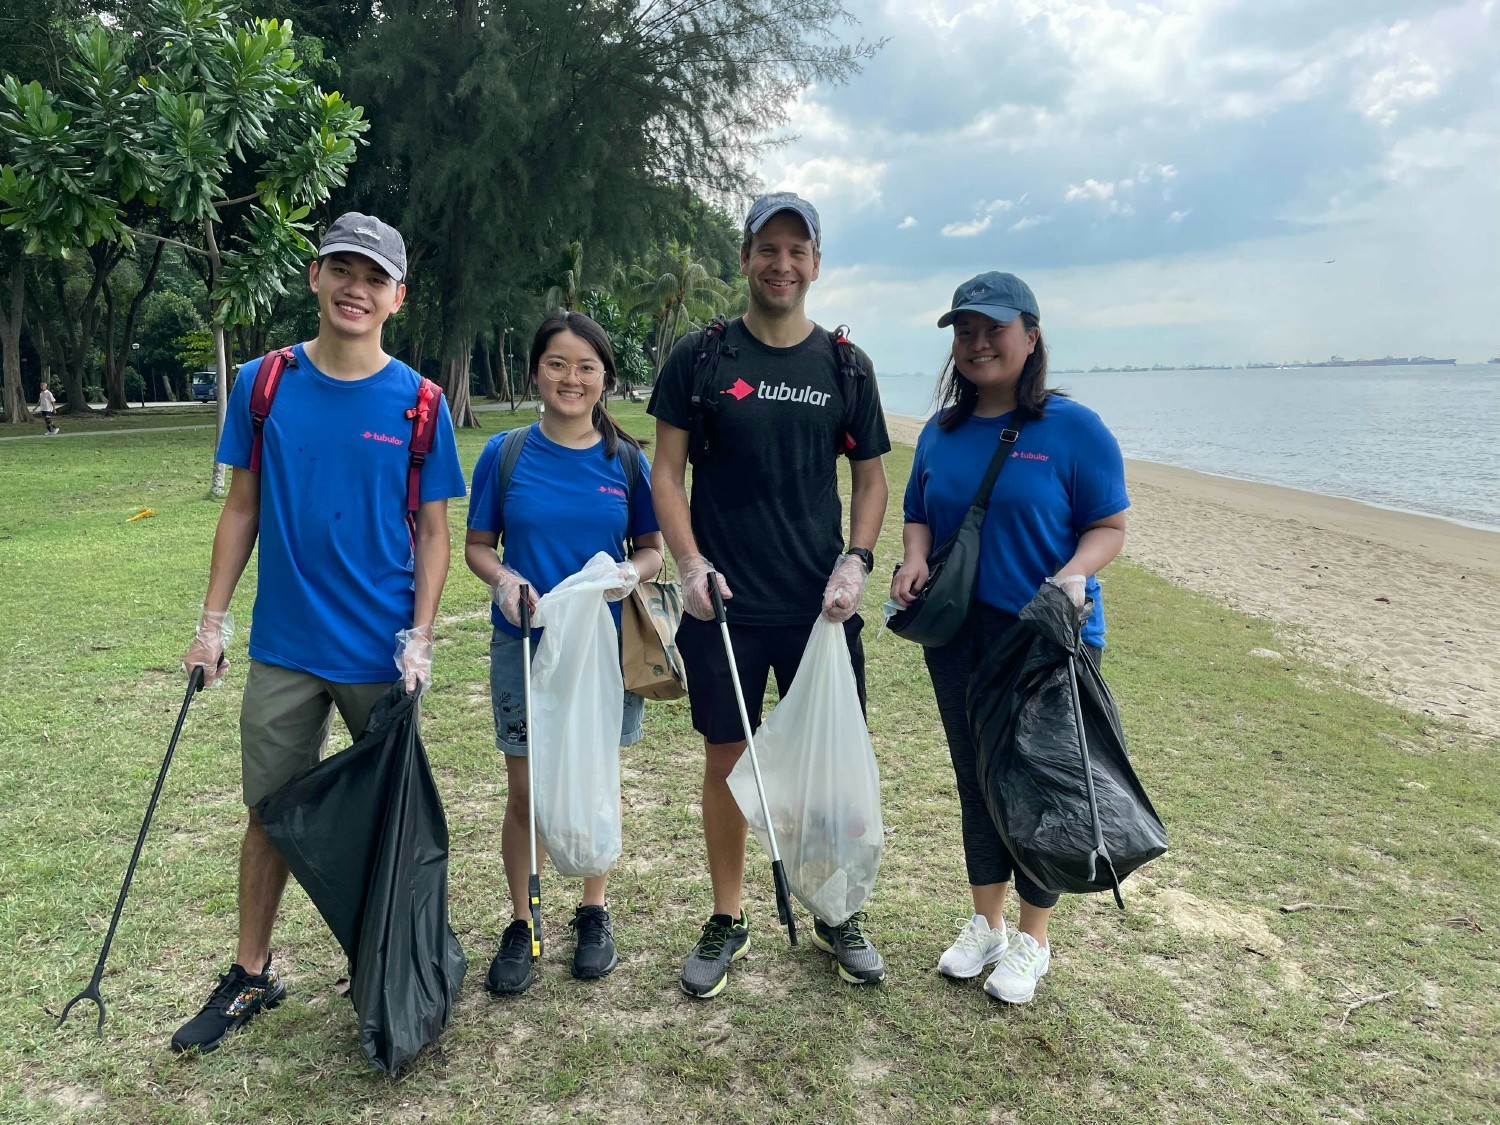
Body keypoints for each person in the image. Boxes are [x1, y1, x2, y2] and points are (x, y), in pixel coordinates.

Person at [173, 213, 466, 1054]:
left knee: (386, 816)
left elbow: (436, 533)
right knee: (268, 811)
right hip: (287, 649)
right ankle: (251, 970)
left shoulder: (420, 401)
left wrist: (420, 636)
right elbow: (241, 507)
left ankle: (378, 958)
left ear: (397, 297)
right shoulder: (264, 384)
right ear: (314, 276)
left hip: (381, 653)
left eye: (374, 277)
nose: (356, 288)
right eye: (343, 268)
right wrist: (212, 621)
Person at [649, 191, 891, 998]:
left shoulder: (846, 366)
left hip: (819, 608)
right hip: (724, 607)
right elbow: (666, 472)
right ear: (745, 257)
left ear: (816, 264)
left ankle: (833, 909)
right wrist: (688, 564)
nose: (782, 264)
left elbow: (870, 478)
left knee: (824, 767)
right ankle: (728, 915)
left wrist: (856, 561)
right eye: (768, 248)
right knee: (727, 758)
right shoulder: (703, 357)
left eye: (798, 250)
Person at [891, 271, 1129, 1005]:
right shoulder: (942, 429)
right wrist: (914, 556)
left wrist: (1076, 573)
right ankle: (985, 924)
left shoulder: (1075, 429)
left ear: (1030, 336)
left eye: (994, 329)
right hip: (960, 632)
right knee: (977, 777)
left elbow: (1109, 525)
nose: (978, 343)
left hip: (1046, 636)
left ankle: (1033, 939)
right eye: (965, 331)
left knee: (1039, 783)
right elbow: (918, 510)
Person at [465, 311, 664, 994]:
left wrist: (630, 574)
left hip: (602, 656)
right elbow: (477, 546)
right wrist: (503, 579)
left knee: (594, 774)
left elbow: (652, 550)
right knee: (525, 790)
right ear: (535, 371)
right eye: (557, 363)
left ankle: (592, 910)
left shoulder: (626, 460)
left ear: (605, 377)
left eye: (585, 366)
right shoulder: (506, 452)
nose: (570, 377)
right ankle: (523, 920)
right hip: (524, 645)